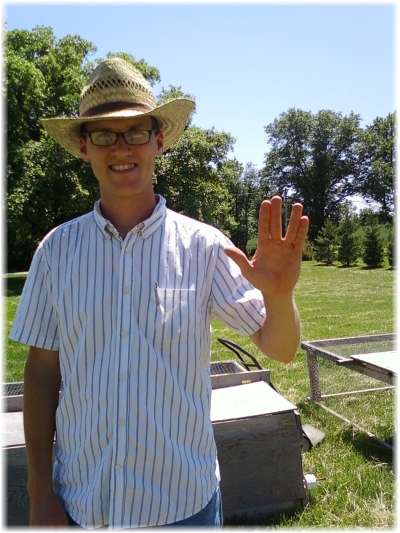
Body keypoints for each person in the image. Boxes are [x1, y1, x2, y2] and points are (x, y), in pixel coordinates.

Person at [10, 57, 309, 529]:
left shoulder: (204, 247)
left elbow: (282, 348)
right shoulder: (56, 251)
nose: (121, 147)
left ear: (159, 140)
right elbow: (42, 372)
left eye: (135, 131)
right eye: (104, 134)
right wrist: (40, 493)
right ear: (85, 147)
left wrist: (278, 295)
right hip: (82, 504)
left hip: (183, 507)